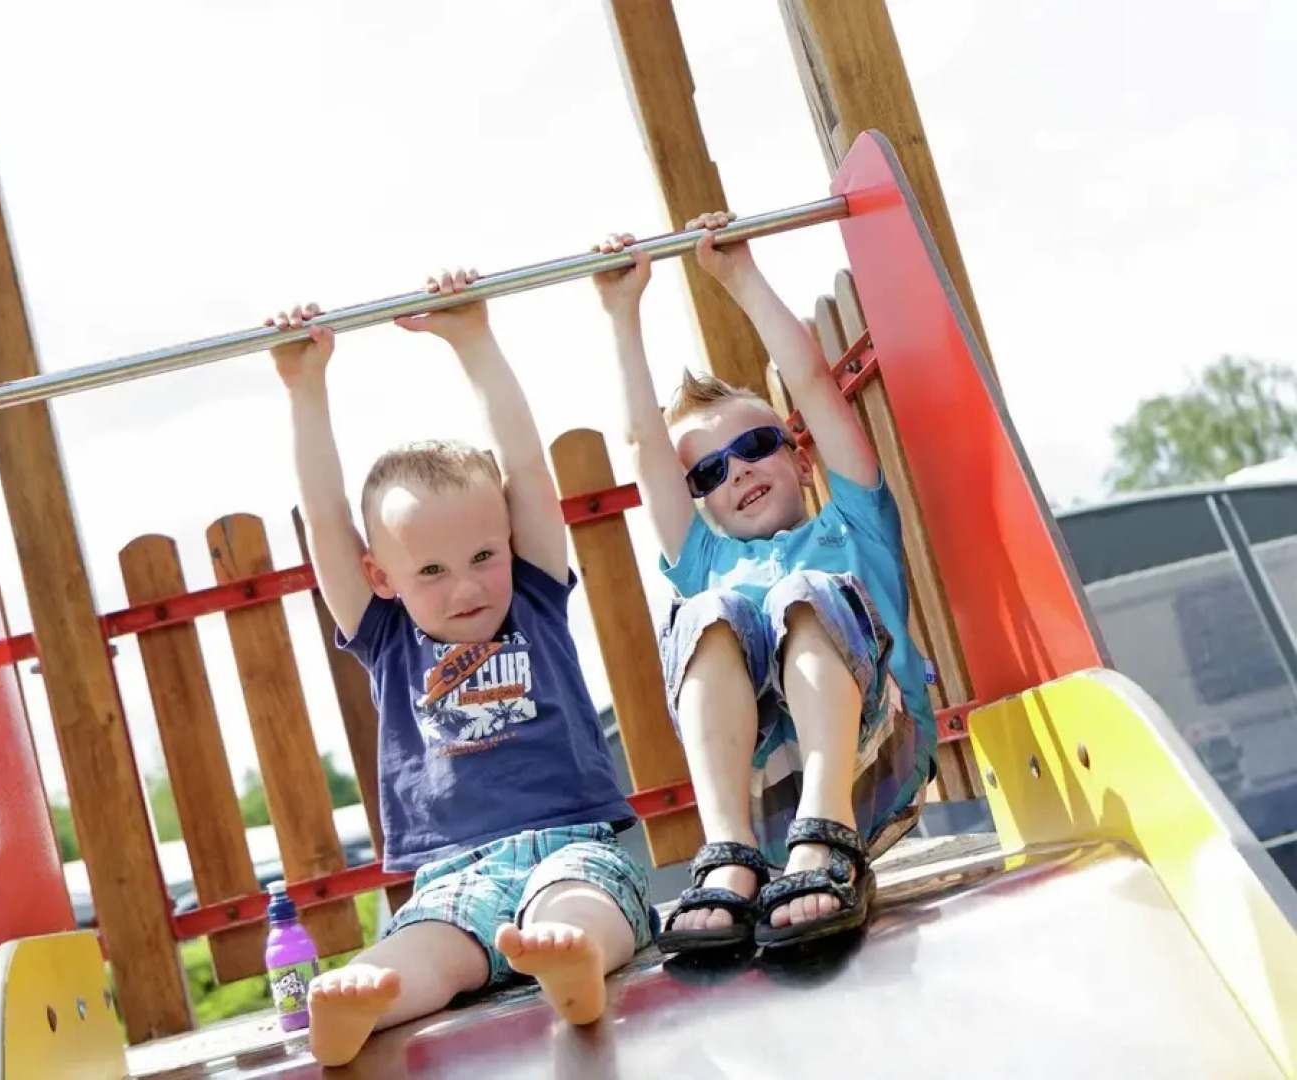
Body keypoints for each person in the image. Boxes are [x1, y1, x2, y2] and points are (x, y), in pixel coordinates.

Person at [267, 270, 652, 1068]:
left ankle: (576, 962)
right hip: (449, 873)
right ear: (382, 577)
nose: (468, 587)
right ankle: (365, 1001)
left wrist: (474, 340)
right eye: (433, 572)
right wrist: (305, 391)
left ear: (508, 540)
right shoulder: (385, 636)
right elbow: (328, 525)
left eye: (483, 556)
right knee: (428, 949)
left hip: (566, 843)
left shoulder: (534, 594)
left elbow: (527, 468)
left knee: (582, 902)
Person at [589, 211, 935, 956]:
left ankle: (827, 827)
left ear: (802, 461)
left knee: (803, 595)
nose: (738, 469)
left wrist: (739, 276)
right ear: (701, 504)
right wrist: (621, 312)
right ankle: (730, 853)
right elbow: (643, 444)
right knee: (706, 614)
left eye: (754, 445)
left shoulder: (852, 525)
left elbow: (810, 382)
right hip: (763, 800)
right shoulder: (704, 564)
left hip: (874, 762)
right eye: (710, 472)